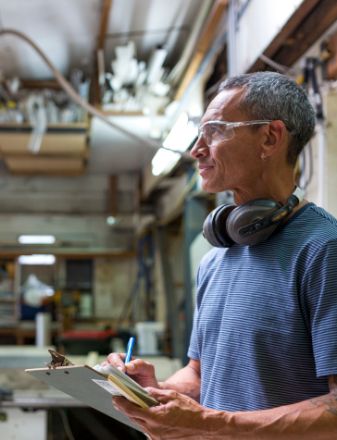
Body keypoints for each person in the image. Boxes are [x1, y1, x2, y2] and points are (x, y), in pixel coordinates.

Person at [107, 72, 337, 439]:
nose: (197, 149)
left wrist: (214, 425)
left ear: (270, 137)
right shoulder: (216, 258)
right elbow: (200, 373)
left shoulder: (323, 250)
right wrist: (156, 392)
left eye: (214, 130)